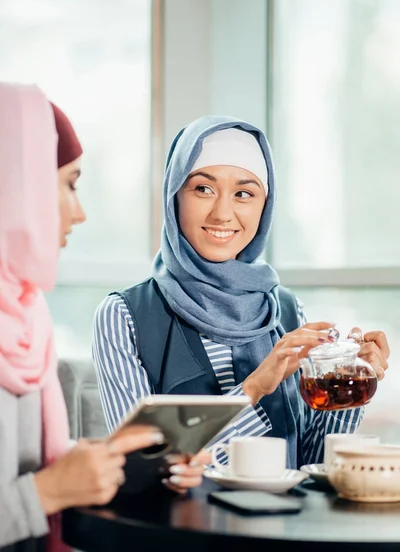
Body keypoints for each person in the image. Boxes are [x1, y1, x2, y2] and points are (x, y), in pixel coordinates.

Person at [92, 115, 390, 471]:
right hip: (181, 525)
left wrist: (351, 386)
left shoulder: (286, 310)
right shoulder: (124, 316)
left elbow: (308, 465)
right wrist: (252, 389)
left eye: (244, 194)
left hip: (280, 526)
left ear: (264, 208)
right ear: (174, 196)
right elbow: (142, 464)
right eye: (203, 189)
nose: (222, 213)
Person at [0, 82, 206, 551]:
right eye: (69, 184)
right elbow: (37, 486)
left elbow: (22, 467)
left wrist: (131, 465)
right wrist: (49, 491)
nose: (81, 213)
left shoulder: (26, 314)